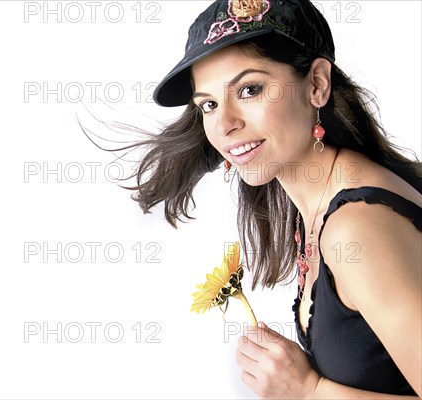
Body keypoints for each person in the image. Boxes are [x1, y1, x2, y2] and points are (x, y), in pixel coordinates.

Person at [99, 0, 421, 398]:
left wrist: (308, 390)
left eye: (249, 89)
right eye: (209, 105)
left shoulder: (357, 225)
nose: (224, 124)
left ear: (317, 85)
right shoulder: (320, 203)